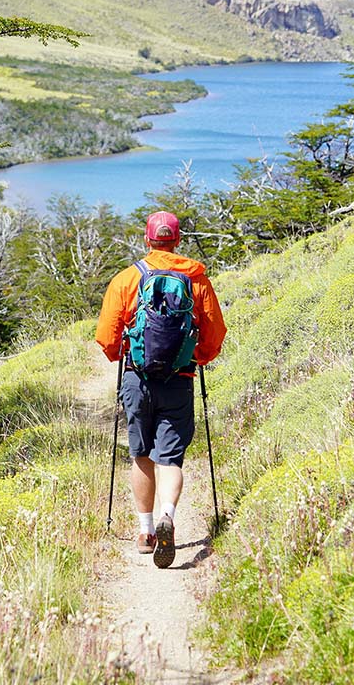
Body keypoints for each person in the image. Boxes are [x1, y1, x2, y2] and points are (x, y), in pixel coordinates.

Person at [95, 211, 226, 568]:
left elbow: (107, 338)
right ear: (177, 240)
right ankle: (169, 514)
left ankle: (147, 531)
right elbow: (214, 335)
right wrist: (195, 357)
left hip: (137, 379)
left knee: (141, 453)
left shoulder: (126, 280)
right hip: (179, 380)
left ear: (147, 239)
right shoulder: (196, 280)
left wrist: (120, 353)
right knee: (170, 457)